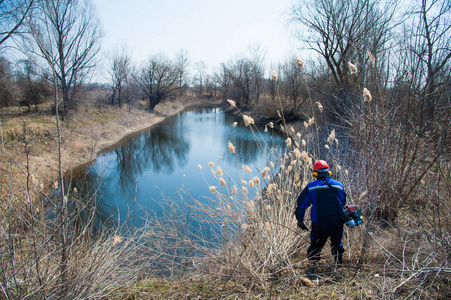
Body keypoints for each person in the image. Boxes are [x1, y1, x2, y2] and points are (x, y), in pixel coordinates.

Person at [295, 160, 346, 270]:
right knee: (337, 244)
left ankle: (313, 268)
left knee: (316, 245)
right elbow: (343, 203)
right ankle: (339, 267)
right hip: (336, 222)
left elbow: (301, 204)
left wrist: (300, 220)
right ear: (329, 172)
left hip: (319, 222)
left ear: (315, 173)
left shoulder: (311, 187)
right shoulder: (339, 186)